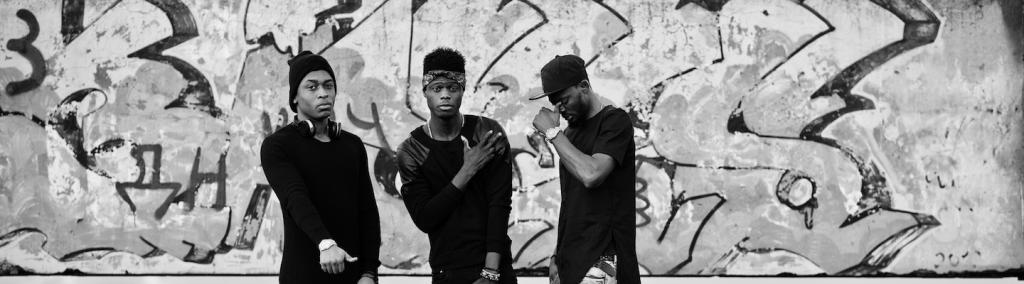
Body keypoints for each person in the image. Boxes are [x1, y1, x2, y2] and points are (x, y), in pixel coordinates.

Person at [397, 47, 517, 284]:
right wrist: (468, 169)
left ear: (462, 90)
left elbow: (499, 204)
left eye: (452, 88)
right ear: (425, 92)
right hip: (447, 271)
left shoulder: (487, 133)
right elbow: (425, 218)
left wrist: (491, 272)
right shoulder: (411, 150)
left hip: (495, 268)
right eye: (437, 88)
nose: (445, 95)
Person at [260, 50, 381, 284]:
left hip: (353, 277)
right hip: (303, 274)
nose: (323, 93)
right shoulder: (278, 145)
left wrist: (369, 273)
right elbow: (295, 197)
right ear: (294, 97)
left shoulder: (352, 145)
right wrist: (325, 243)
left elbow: (367, 212)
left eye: (328, 86)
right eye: (312, 87)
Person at [529, 55, 640, 284]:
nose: (559, 109)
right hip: (572, 260)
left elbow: (592, 175)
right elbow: (571, 203)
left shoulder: (614, 121)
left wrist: (552, 133)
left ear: (584, 86)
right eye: (554, 103)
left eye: (564, 100)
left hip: (605, 260)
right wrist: (557, 255)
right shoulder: (569, 135)